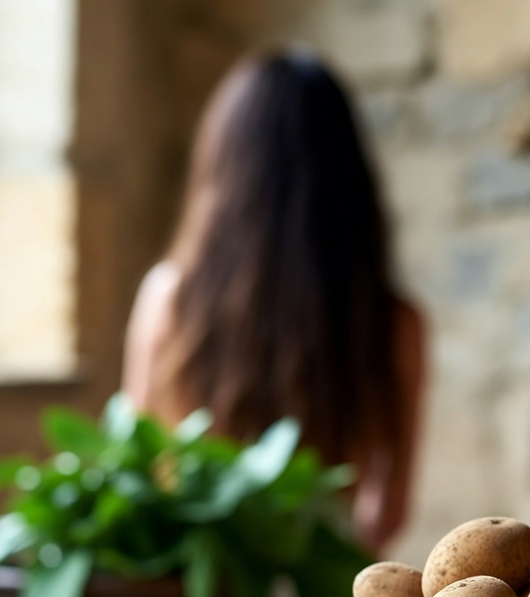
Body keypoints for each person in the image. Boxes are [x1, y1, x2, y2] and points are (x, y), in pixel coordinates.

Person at [122, 47, 426, 554]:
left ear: (224, 170)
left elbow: (134, 463)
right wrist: (325, 563)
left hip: (196, 574)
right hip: (321, 580)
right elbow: (389, 509)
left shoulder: (169, 297)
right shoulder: (394, 321)